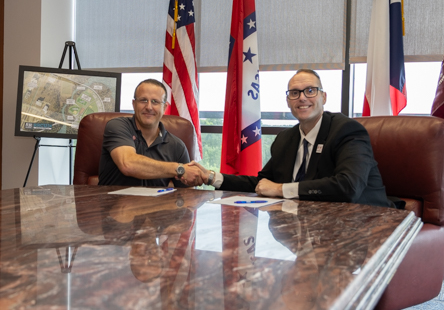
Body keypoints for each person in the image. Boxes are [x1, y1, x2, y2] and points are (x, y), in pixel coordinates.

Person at [189, 69, 395, 208]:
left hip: (365, 220)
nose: (302, 98)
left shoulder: (347, 130)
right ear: (288, 102)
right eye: (295, 93)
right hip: (310, 224)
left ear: (324, 97)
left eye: (310, 91)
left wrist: (281, 189)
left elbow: (348, 187)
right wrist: (212, 177)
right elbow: (262, 184)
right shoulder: (285, 139)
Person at [98, 79, 203, 187]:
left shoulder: (177, 146)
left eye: (155, 102)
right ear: (134, 104)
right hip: (113, 202)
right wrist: (179, 169)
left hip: (157, 204)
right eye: (143, 100)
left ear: (164, 107)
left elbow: (185, 195)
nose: (148, 107)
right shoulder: (117, 126)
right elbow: (128, 164)